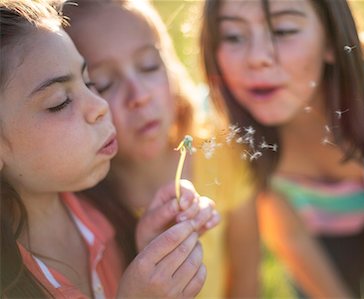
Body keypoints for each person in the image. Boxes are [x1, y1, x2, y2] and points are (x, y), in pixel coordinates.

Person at [199, 0, 364, 298]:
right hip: (316, 232)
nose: (256, 58)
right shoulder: (220, 126)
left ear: (332, 39)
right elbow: (288, 235)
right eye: (233, 36)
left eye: (283, 30)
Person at [0, 0, 217, 297]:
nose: (100, 106)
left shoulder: (105, 213)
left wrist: (144, 249)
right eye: (60, 101)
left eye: (90, 83)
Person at [63, 0, 260, 297]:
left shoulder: (221, 152)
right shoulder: (79, 213)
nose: (139, 95)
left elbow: (247, 276)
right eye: (103, 83)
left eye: (149, 66)